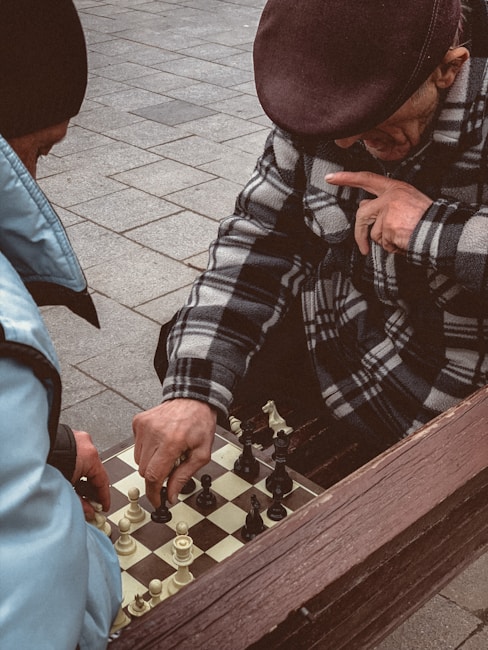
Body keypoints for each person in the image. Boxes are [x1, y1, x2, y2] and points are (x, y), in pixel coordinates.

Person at [133, 0, 488, 509]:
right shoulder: (322, 108)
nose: (343, 139)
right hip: (349, 336)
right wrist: (192, 392)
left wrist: (432, 229)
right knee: (185, 354)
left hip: (461, 382)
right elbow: (257, 240)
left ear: (449, 68)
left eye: (370, 115)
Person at [0, 2, 122, 648]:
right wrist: (90, 550)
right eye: (38, 149)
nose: (37, 183)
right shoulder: (5, 335)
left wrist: (43, 454)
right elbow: (41, 624)